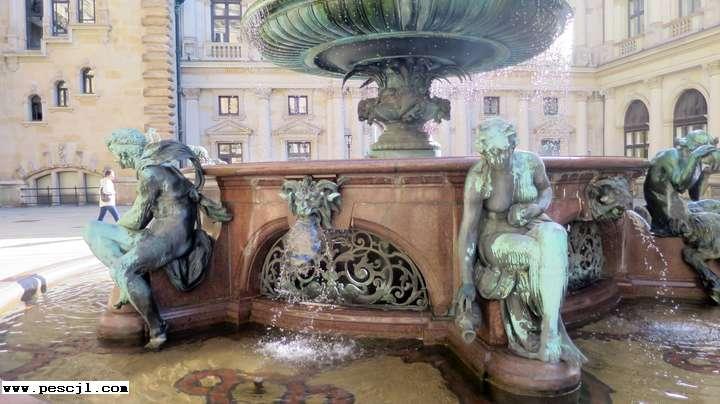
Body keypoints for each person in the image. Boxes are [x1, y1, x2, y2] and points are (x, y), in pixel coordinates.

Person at [83, 129, 232, 349]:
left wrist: (116, 231)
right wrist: (114, 231)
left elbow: (138, 219)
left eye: (117, 155)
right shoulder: (156, 167)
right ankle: (125, 281)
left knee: (123, 268)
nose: (117, 160)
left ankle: (158, 329)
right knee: (91, 229)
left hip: (171, 239)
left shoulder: (150, 173)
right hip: (159, 233)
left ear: (126, 152)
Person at [455, 117, 585, 365]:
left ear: (512, 145)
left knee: (556, 233)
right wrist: (467, 280)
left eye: (502, 151)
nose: (497, 158)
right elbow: (469, 230)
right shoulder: (479, 177)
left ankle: (550, 332)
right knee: (535, 252)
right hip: (495, 237)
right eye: (491, 152)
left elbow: (546, 191)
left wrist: (535, 208)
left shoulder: (530, 163)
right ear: (483, 151)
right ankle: (548, 331)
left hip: (532, 224)